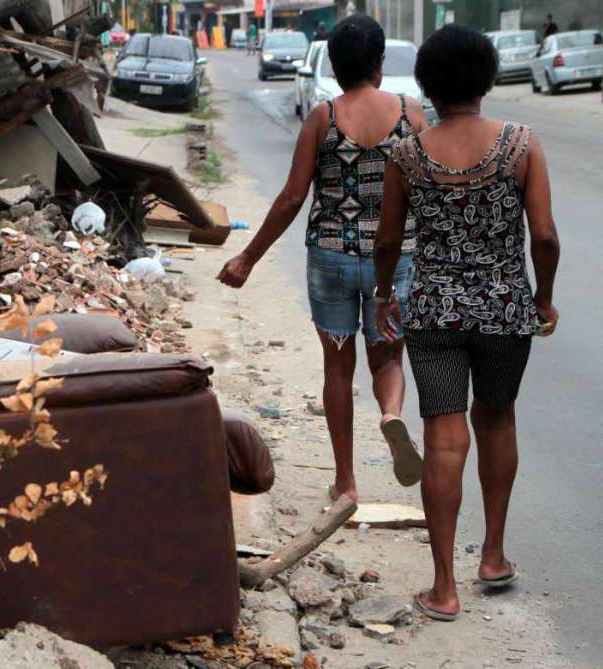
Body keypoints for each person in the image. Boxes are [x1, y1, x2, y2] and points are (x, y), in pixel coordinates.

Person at [373, 24, 560, 621]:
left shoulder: (407, 153)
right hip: (506, 309)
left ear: (427, 84)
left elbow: (387, 239)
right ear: (487, 79)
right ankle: (494, 557)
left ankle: (444, 588)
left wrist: (384, 293)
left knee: (443, 437)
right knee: (498, 420)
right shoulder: (522, 143)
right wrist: (544, 300)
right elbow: (546, 237)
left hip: (434, 311)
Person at [218, 15, 430, 503]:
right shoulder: (410, 115)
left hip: (331, 258)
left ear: (334, 68)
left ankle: (347, 482)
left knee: (337, 368)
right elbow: (428, 192)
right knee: (387, 357)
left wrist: (248, 257)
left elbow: (293, 197)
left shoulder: (324, 117)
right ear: (379, 64)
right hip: (393, 261)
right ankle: (391, 414)